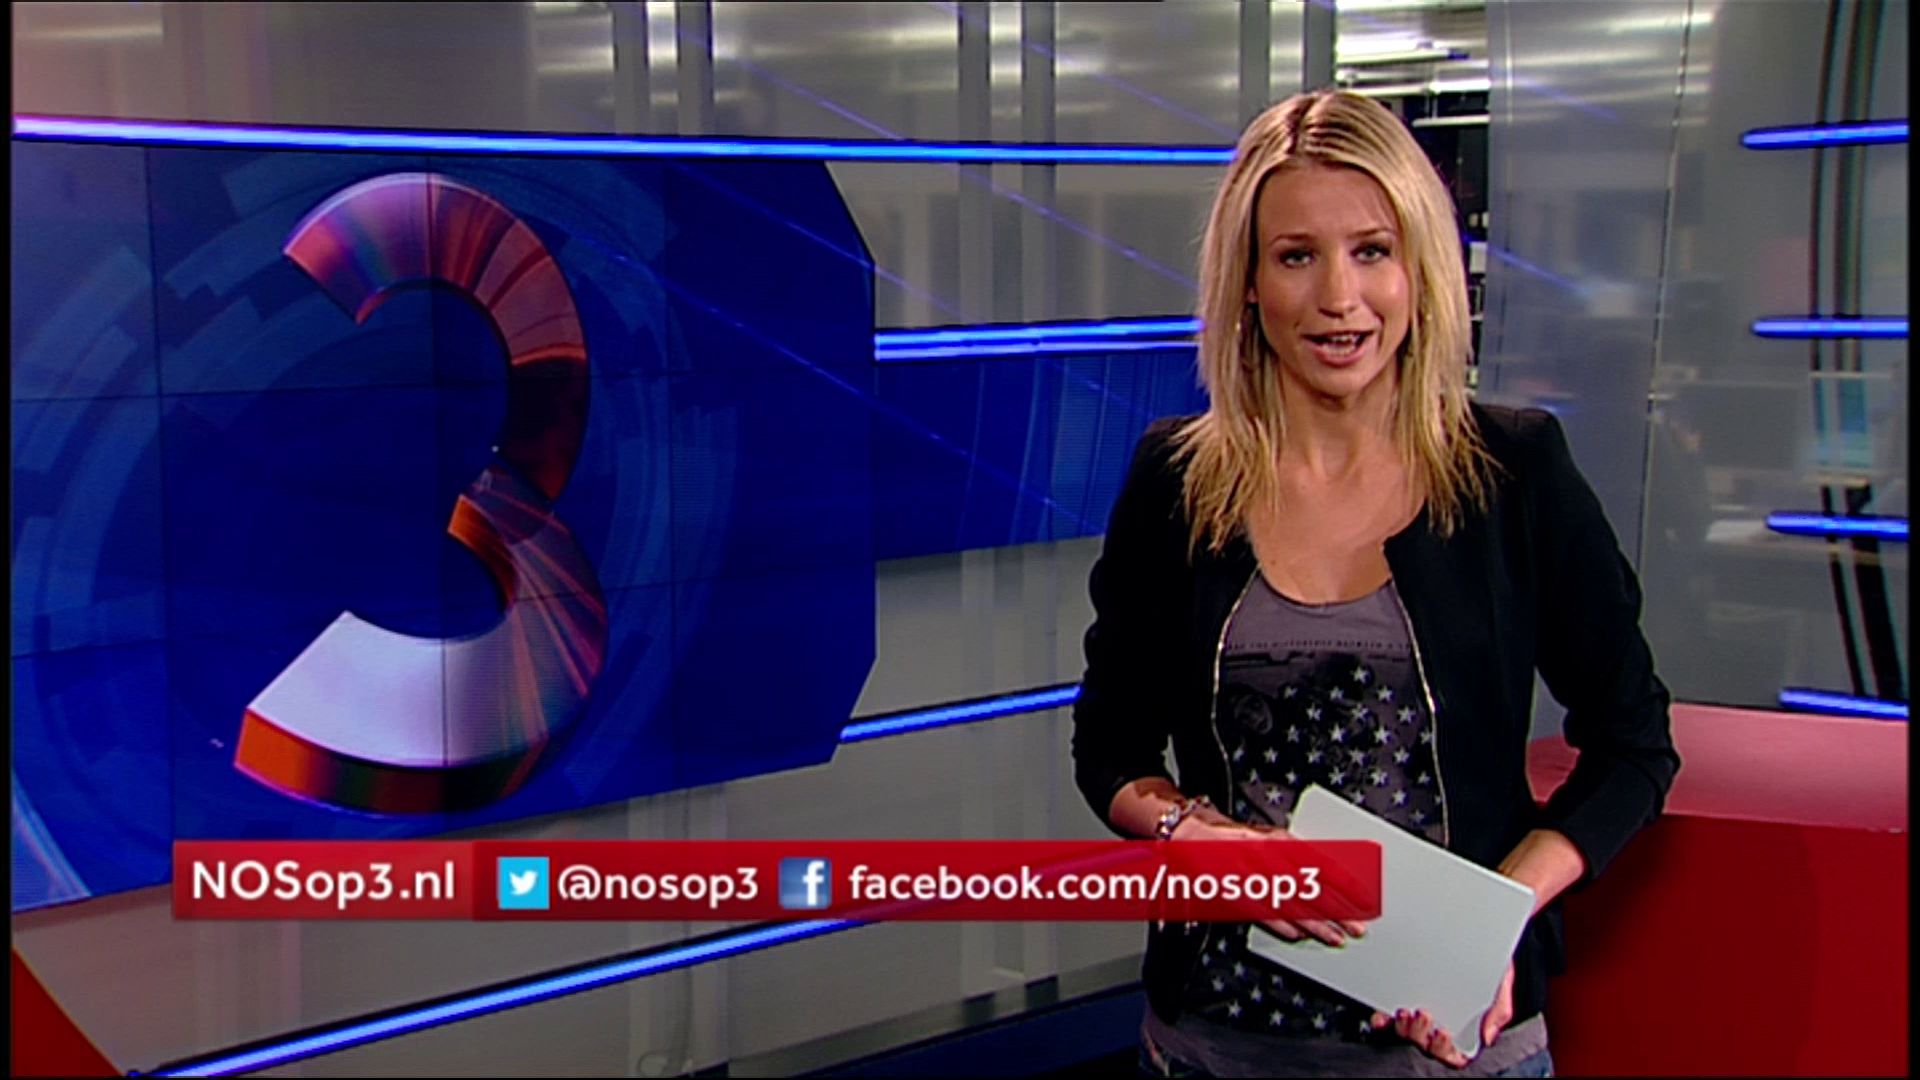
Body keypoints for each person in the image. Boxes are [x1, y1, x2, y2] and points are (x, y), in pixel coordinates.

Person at [1070, 89, 1680, 1078]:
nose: (1339, 297)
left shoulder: (1514, 473)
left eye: (1371, 250)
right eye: (1296, 256)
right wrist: (1197, 835)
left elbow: (1634, 746)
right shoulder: (1176, 481)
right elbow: (1109, 746)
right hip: (1212, 1047)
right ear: (1247, 283)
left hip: (1453, 1054)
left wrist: (1498, 915)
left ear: (1420, 269)